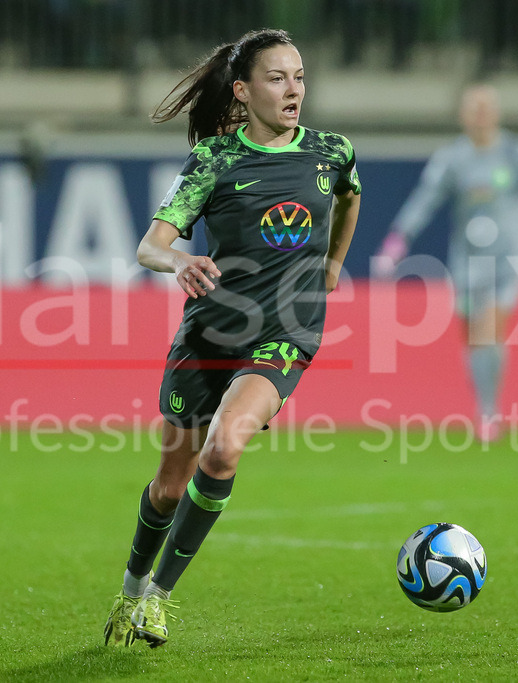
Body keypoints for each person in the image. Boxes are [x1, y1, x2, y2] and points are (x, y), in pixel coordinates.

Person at [103, 28, 361, 648]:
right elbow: (150, 246)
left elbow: (349, 199)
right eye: (277, 78)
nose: (293, 89)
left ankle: (157, 601)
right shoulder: (215, 161)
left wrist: (329, 266)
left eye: (299, 76)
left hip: (285, 334)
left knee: (223, 451)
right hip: (211, 337)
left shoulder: (332, 152)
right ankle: (132, 588)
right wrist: (180, 263)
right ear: (243, 92)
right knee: (169, 486)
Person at [376, 84, 518, 443]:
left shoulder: (517, 153)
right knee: (472, 338)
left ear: (496, 113)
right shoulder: (452, 158)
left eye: (486, 108)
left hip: (506, 260)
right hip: (467, 261)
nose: (481, 116)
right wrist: (398, 238)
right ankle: (485, 404)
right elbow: (425, 200)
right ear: (463, 115)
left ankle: (488, 413)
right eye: (474, 109)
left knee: (489, 329)